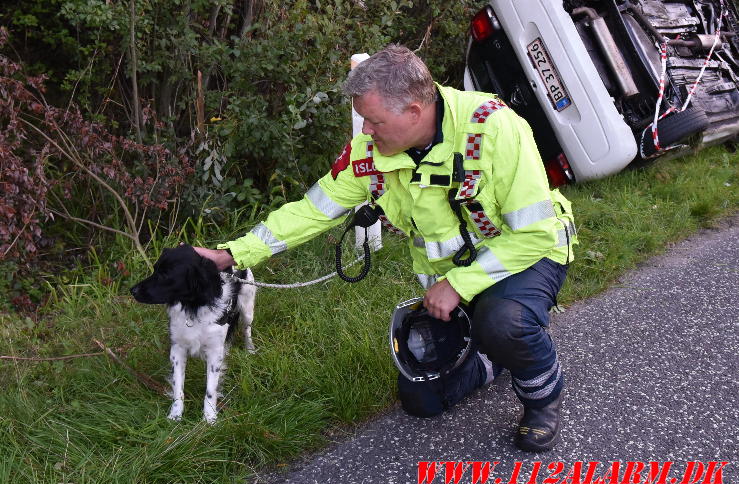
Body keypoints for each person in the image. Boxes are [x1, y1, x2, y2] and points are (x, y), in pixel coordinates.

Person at [194, 44, 577, 452]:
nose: (365, 133)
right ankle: (496, 355)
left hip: (527, 258)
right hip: (452, 284)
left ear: (414, 111)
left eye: (373, 121)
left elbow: (536, 234)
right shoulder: (370, 152)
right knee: (420, 400)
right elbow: (312, 210)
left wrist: (461, 285)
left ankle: (541, 395)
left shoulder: (494, 127)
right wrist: (231, 254)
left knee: (506, 322)